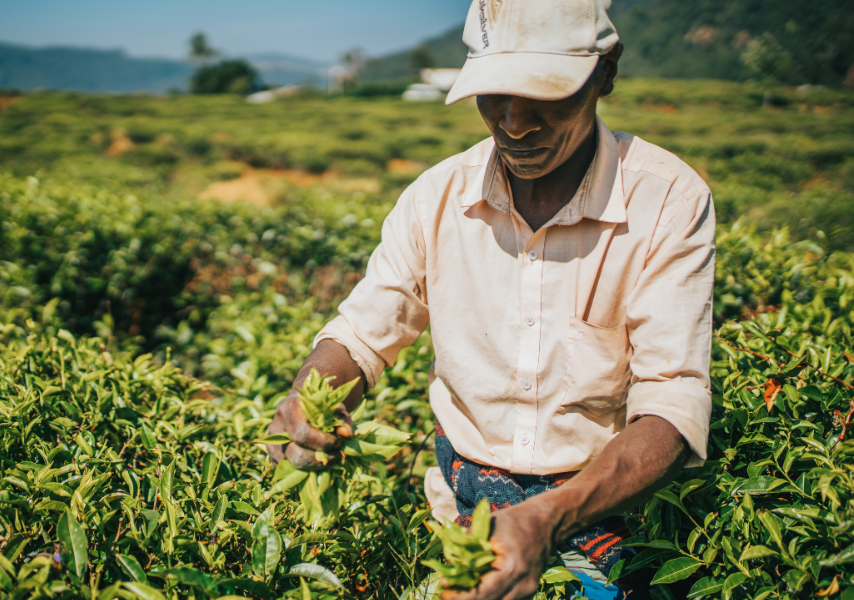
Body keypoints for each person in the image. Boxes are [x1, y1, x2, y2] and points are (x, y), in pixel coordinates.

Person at [266, 0, 715, 598]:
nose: (514, 122)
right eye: (494, 95)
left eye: (546, 97)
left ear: (605, 71)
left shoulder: (667, 201)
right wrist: (312, 395)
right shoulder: (437, 196)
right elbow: (364, 331)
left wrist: (549, 516)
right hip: (463, 507)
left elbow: (670, 401)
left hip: (607, 509)